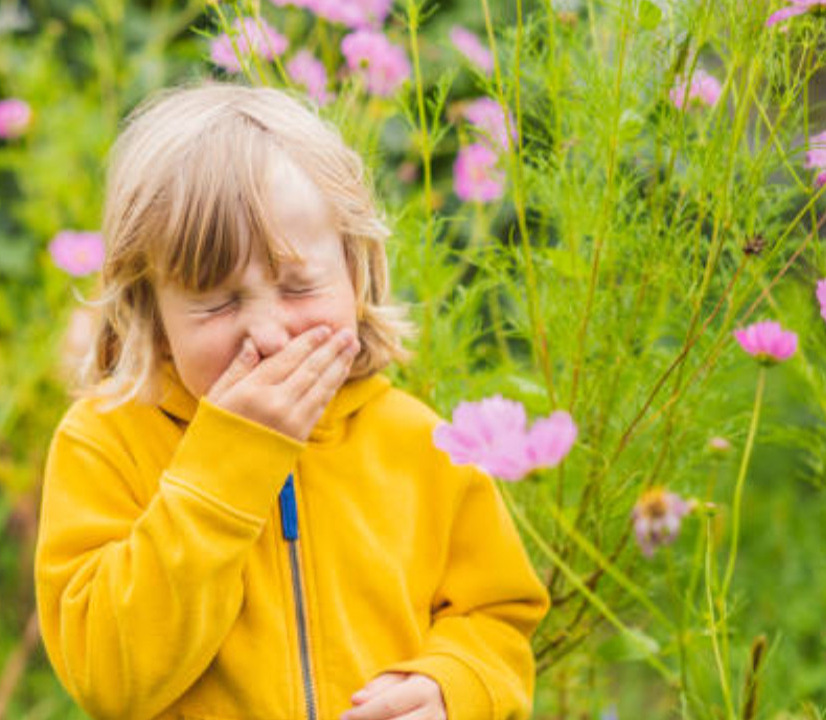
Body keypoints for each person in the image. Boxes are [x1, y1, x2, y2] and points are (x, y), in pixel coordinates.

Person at [34, 83, 549, 720]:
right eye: (218, 302)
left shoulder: (420, 443)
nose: (270, 332)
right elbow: (110, 680)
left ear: (356, 273)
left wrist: (454, 686)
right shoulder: (105, 445)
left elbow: (496, 618)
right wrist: (227, 465)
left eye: (300, 285)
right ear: (149, 308)